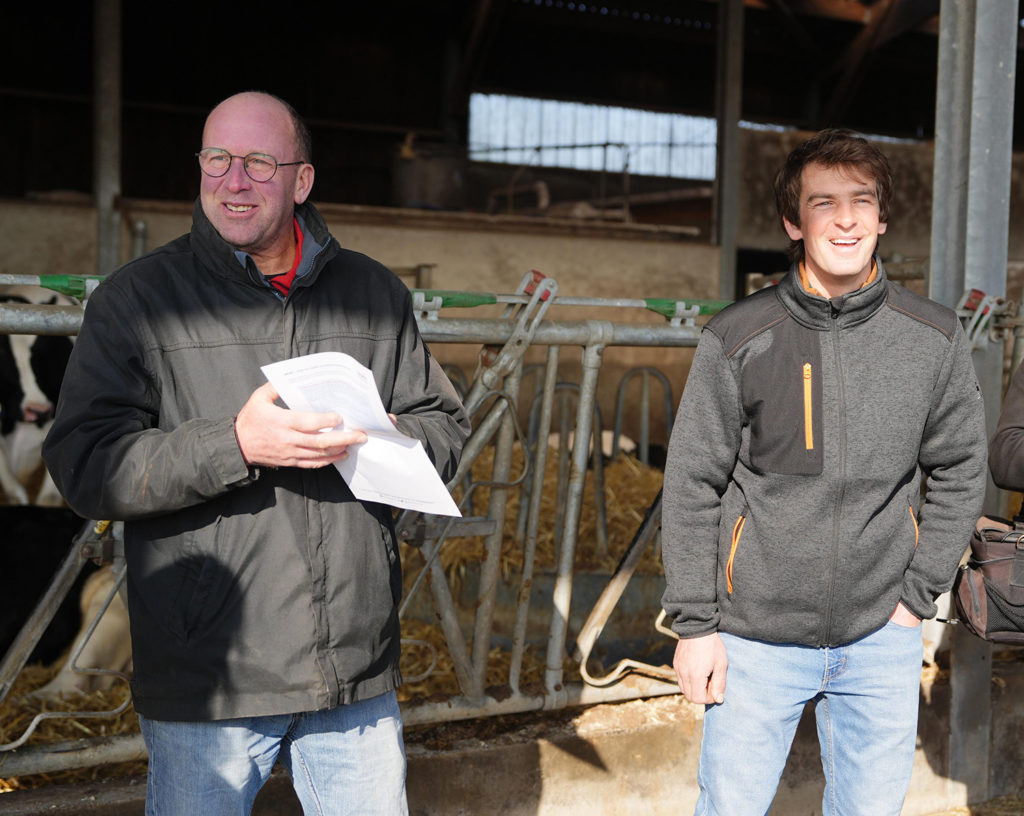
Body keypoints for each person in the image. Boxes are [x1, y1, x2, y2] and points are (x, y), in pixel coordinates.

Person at [42, 91, 469, 816]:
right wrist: (235, 443)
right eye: (217, 159)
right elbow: (85, 463)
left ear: (301, 181)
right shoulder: (135, 301)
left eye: (259, 163)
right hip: (211, 672)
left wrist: (386, 435)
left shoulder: (373, 293)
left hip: (352, 667)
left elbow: (444, 426)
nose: (233, 181)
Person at [660, 128, 987, 815]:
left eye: (862, 201)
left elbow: (960, 469)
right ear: (792, 221)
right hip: (754, 636)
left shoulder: (931, 337)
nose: (846, 219)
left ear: (883, 218)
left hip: (881, 631)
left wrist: (916, 596)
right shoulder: (737, 337)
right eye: (824, 203)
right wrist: (695, 626)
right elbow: (691, 483)